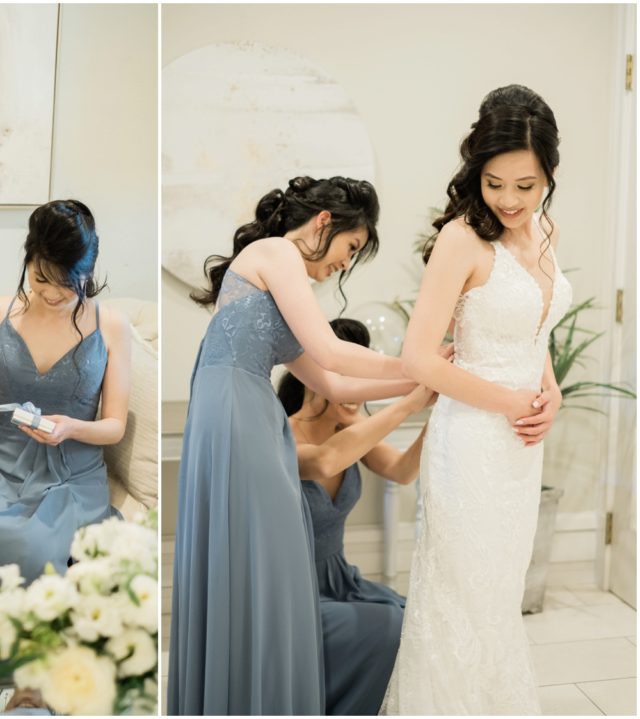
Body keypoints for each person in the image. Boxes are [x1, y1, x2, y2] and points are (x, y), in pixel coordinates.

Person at [168, 176, 420, 715]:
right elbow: (331, 352)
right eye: (351, 249)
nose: (343, 266)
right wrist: (421, 366)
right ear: (325, 222)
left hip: (243, 407)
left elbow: (336, 385)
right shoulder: (275, 251)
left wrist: (418, 386)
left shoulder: (278, 278)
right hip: (239, 407)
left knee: (259, 568)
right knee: (264, 566)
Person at [381, 85, 571, 714]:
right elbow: (420, 357)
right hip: (470, 445)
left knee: (496, 598)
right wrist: (509, 400)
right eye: (495, 184)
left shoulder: (544, 229)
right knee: (460, 600)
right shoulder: (463, 239)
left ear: (548, 174)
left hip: (520, 447)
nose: (511, 200)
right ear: (475, 172)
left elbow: (533, 324)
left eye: (527, 184)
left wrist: (550, 388)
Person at [0, 199, 132, 599]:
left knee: (38, 547)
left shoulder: (110, 324)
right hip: (1, 464)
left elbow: (115, 426)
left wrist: (71, 427)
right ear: (27, 260)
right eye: (40, 278)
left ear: (88, 270)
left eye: (67, 281)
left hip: (71, 472)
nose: (52, 293)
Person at [278, 318, 437, 713]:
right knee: (391, 629)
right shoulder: (280, 433)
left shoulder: (354, 428)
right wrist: (409, 402)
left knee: (420, 617)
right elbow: (326, 459)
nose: (357, 388)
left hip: (340, 579)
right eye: (346, 375)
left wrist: (438, 418)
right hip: (291, 590)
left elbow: (402, 471)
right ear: (316, 375)